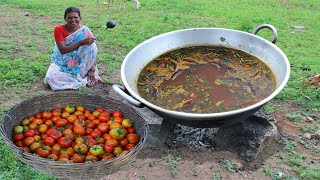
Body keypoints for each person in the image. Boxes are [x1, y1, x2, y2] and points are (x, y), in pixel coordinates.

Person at [44, 7, 100, 90]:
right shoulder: (59, 29)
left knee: (91, 45)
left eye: (75, 17)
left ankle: (86, 73)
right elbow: (63, 50)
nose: (73, 20)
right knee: (51, 78)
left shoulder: (84, 31)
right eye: (69, 18)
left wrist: (92, 69)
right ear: (65, 19)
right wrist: (81, 42)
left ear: (80, 18)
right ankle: (80, 77)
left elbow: (93, 52)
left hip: (80, 63)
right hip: (63, 62)